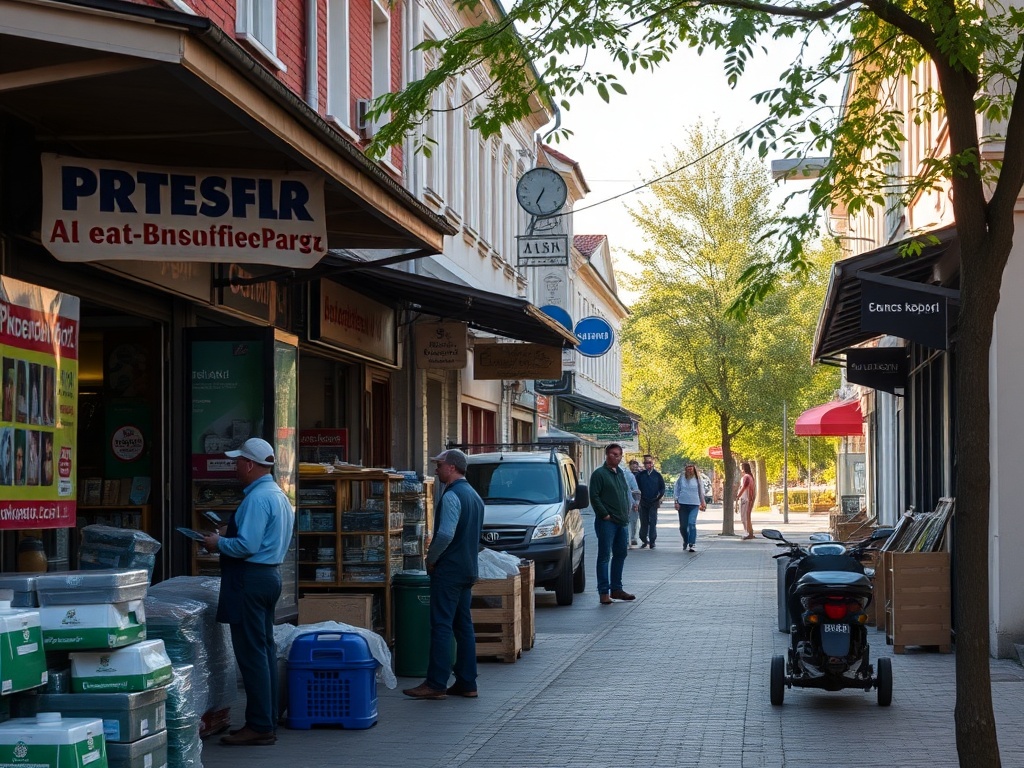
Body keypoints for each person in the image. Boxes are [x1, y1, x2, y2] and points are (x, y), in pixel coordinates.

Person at [201, 437, 294, 746]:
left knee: (252, 653)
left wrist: (218, 543)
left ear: (250, 464)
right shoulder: (277, 494)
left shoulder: (256, 499)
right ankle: (265, 719)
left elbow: (247, 546)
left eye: (238, 460)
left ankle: (259, 725)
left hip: (250, 579)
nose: (235, 465)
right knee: (263, 650)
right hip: (268, 577)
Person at [403, 448, 485, 700]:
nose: (436, 470)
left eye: (438, 465)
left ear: (451, 467)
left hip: (449, 570)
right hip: (468, 568)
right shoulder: (474, 496)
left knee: (441, 626)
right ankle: (467, 682)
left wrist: (431, 558)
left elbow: (446, 534)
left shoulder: (452, 496)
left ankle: (436, 682)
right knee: (464, 627)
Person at [590, 443, 635, 605]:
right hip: (607, 522)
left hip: (622, 521)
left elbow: (625, 493)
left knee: (621, 554)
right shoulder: (599, 474)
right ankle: (604, 592)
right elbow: (594, 496)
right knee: (604, 556)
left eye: (618, 454)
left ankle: (616, 589)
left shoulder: (621, 473)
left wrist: (627, 511)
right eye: (612, 454)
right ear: (606, 455)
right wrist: (605, 515)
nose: (615, 457)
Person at [635, 454, 666, 549]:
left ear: (653, 464)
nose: (648, 465)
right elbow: (636, 488)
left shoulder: (657, 475)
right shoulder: (640, 475)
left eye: (649, 463)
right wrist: (638, 499)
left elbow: (662, 488)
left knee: (653, 521)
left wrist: (659, 496)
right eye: (646, 463)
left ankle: (652, 540)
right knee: (644, 521)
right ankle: (643, 538)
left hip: (653, 502)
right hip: (643, 502)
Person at [673, 464, 706, 552]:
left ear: (694, 470)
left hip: (694, 504)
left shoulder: (698, 479)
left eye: (691, 469)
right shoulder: (681, 478)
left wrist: (703, 502)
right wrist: (676, 501)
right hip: (682, 504)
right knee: (683, 527)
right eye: (688, 469)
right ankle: (686, 540)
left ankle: (692, 543)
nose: (690, 471)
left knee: (691, 523)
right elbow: (677, 489)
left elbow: (701, 491)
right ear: (685, 470)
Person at [736, 461, 756, 540]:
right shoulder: (749, 476)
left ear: (743, 468)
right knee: (747, 517)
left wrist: (738, 496)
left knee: (744, 517)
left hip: (745, 499)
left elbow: (744, 487)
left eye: (741, 467)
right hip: (748, 498)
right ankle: (750, 532)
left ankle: (747, 532)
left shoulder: (746, 477)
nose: (740, 468)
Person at [625, 459, 642, 547]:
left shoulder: (634, 475)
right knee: (630, 521)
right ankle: (630, 538)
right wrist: (636, 502)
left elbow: (636, 490)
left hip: (631, 501)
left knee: (632, 520)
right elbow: (636, 490)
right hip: (629, 501)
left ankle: (631, 538)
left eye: (636, 466)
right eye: (633, 466)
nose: (635, 467)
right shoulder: (628, 475)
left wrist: (636, 503)